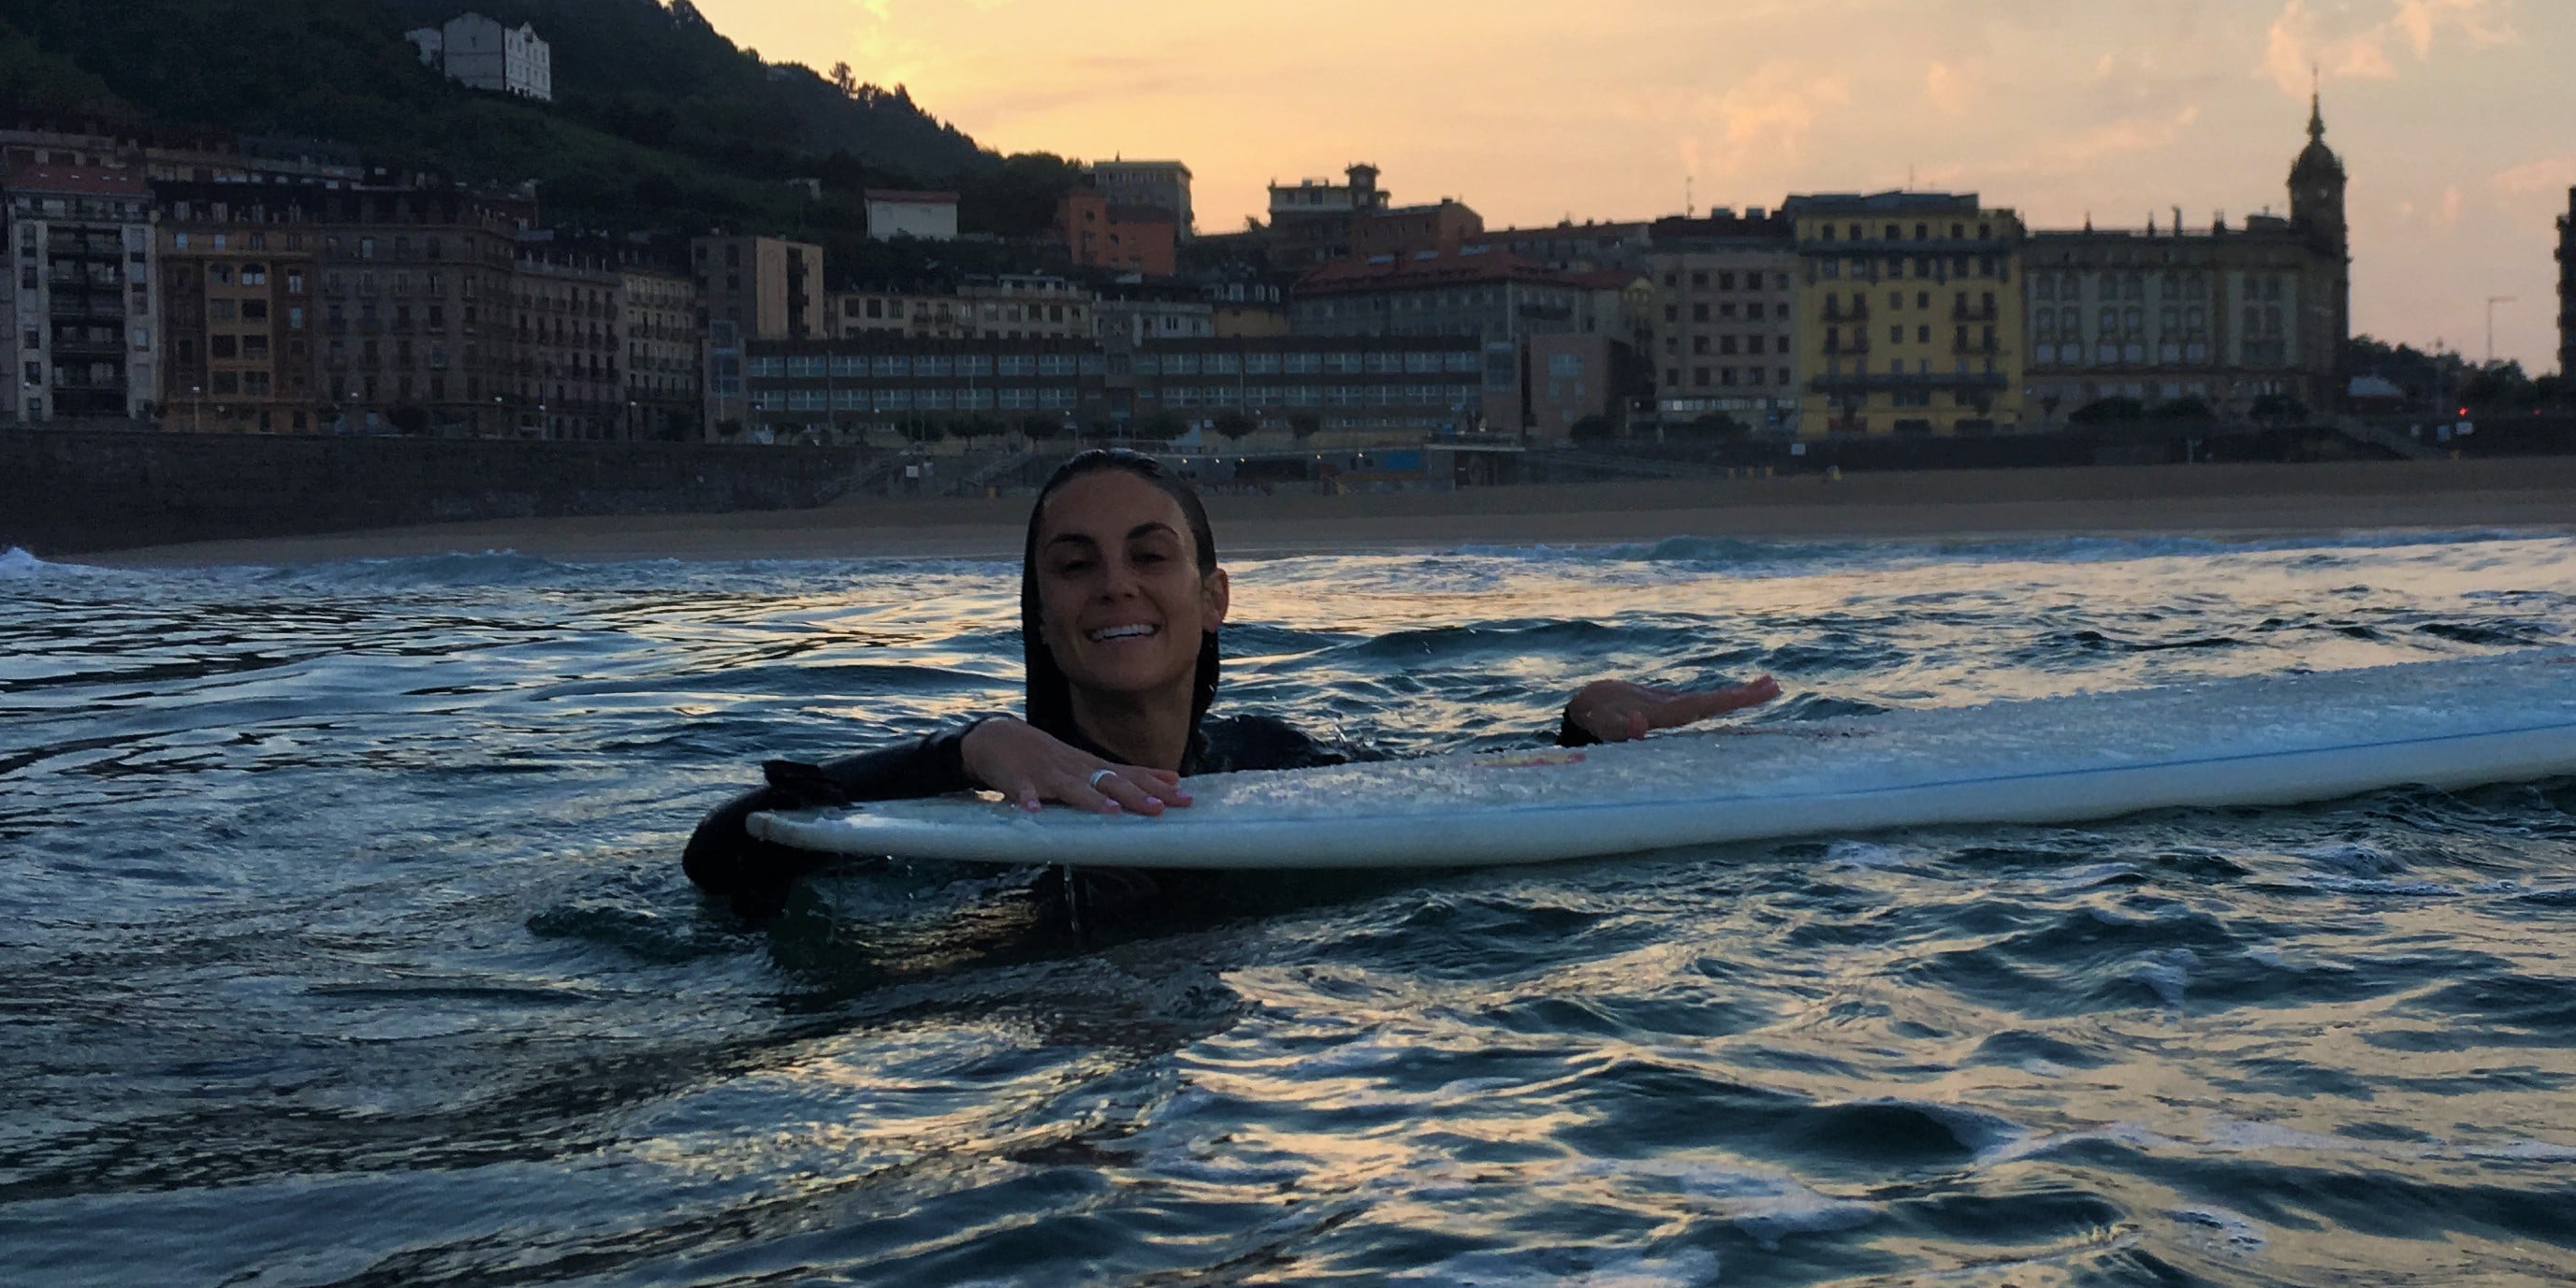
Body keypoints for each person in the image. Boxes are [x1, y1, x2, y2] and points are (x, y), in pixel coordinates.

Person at [684, 447, 1774, 921]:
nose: (1116, 585)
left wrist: (1580, 734)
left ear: (1212, 598)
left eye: (1150, 556)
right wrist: (964, 748)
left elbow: (1453, 800)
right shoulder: (975, 803)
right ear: (1038, 617)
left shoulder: (1268, 759)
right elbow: (724, 854)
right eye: (1074, 566)